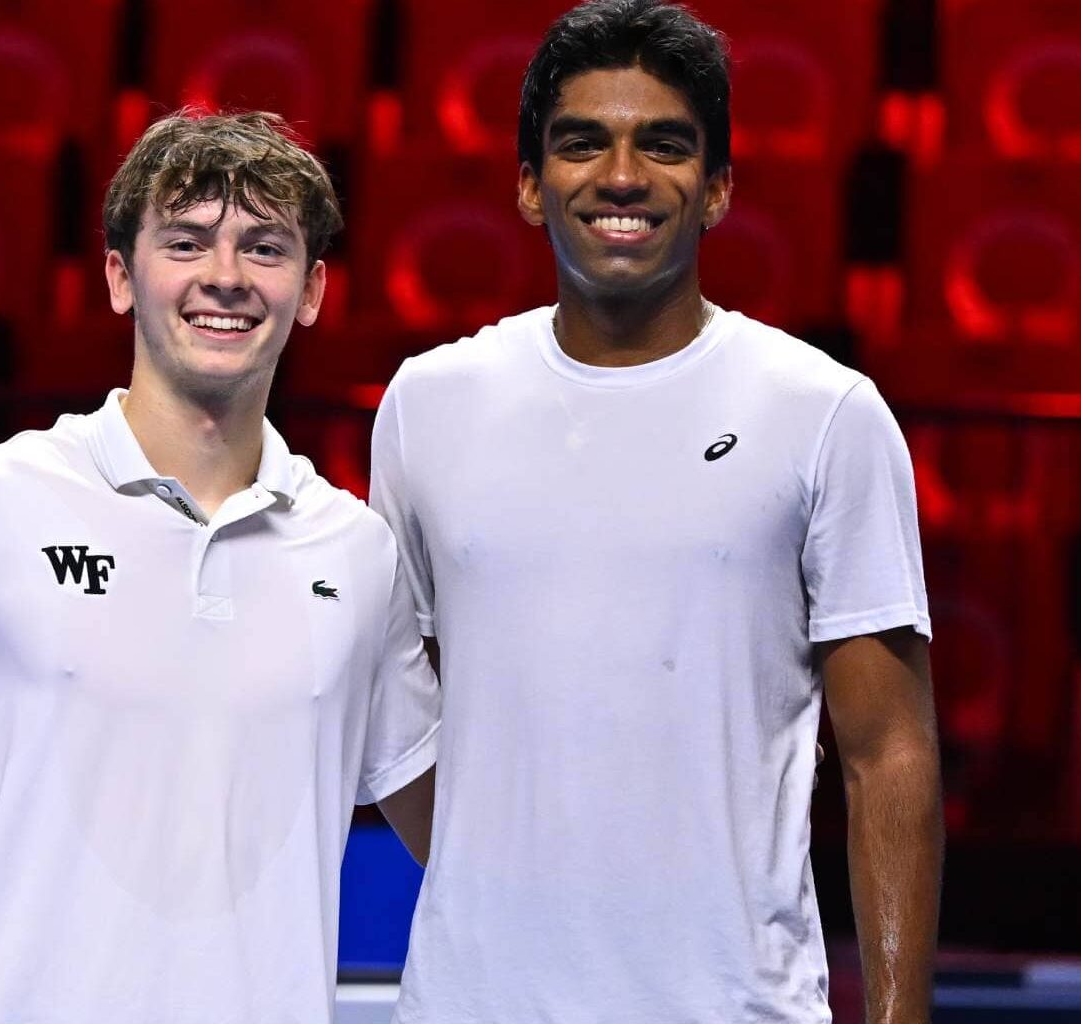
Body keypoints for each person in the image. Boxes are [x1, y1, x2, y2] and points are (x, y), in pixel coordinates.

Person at [0, 110, 439, 1024]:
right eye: (187, 241)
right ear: (122, 276)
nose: (226, 278)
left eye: (266, 248)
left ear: (313, 289)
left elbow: (451, 831)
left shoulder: (358, 553)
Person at [368, 2, 942, 1021]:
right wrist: (512, 879)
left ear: (717, 189)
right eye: (582, 142)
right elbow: (400, 712)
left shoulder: (824, 414)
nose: (622, 176)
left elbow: (887, 751)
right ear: (528, 184)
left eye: (664, 145)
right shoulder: (427, 406)